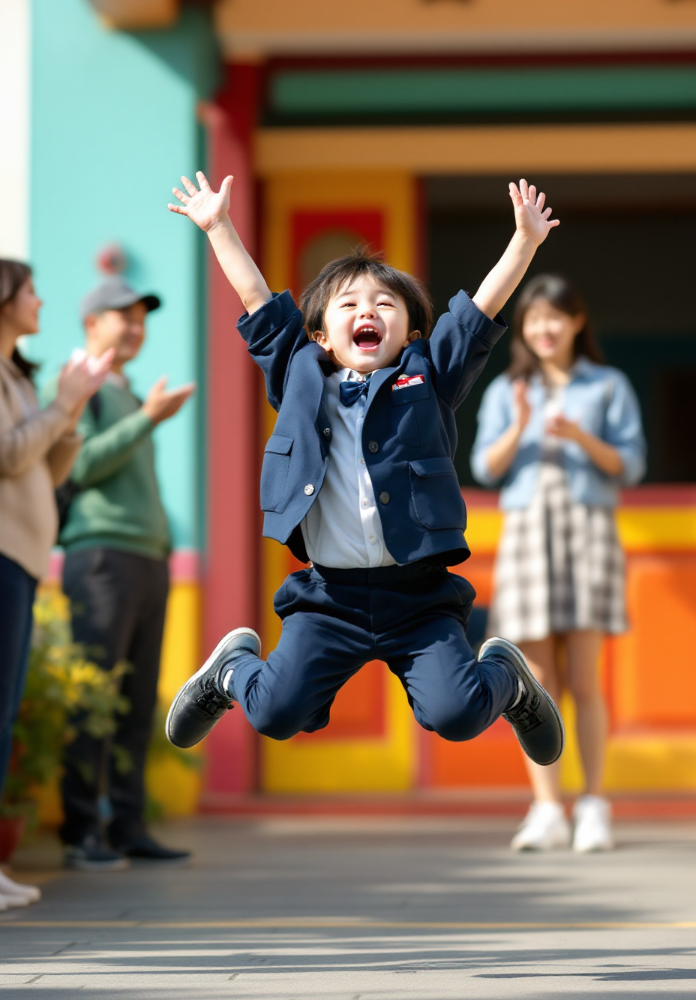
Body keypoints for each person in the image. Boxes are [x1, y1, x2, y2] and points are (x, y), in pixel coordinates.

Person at [165, 171, 565, 775]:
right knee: (275, 713)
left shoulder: (428, 375)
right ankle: (230, 671)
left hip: (418, 599)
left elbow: (482, 308)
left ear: (411, 331)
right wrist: (218, 225)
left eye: (384, 304)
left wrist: (525, 244)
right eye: (348, 305)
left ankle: (508, 682)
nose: (367, 311)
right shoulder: (299, 373)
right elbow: (255, 299)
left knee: (456, 715)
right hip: (330, 599)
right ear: (323, 335)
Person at [471, 274, 646, 853]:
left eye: (555, 317)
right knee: (536, 683)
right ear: (523, 328)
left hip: (588, 530)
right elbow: (485, 467)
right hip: (527, 535)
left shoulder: (608, 385)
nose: (544, 328)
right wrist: (521, 426)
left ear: (576, 322)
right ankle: (547, 809)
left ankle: (593, 804)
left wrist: (577, 436)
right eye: (533, 319)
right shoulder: (507, 390)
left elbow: (632, 464)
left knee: (583, 680)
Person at [43, 277, 195, 871]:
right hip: (100, 557)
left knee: (135, 702)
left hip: (146, 559)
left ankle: (128, 826)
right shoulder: (81, 386)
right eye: (121, 316)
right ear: (90, 326)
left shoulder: (127, 390)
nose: (134, 326)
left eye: (140, 318)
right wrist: (149, 420)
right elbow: (76, 463)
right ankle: (82, 832)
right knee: (95, 700)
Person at [0, 259, 112, 904]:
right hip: (6, 557)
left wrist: (71, 413)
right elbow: (10, 454)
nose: (41, 303)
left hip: (24, 557)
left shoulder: (19, 375)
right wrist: (63, 403)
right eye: (30, 292)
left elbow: (48, 470)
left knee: (3, 718)